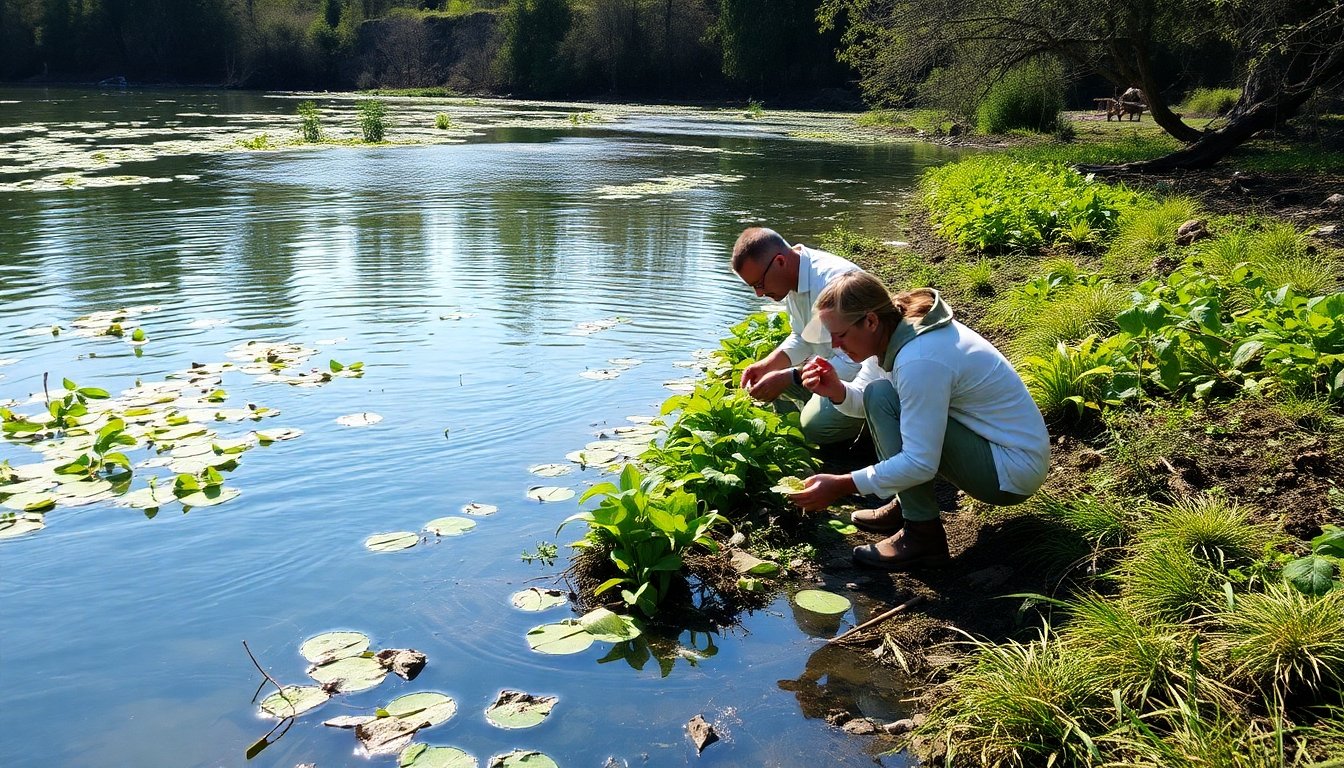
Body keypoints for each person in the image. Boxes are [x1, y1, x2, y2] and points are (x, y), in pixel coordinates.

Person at [788, 272, 1050, 570]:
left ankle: (922, 536)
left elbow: (920, 462)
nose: (835, 345)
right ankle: (908, 504)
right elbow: (871, 401)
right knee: (880, 395)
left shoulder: (919, 359)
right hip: (996, 448)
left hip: (1011, 471)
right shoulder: (894, 330)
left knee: (893, 414)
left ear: (870, 321)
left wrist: (842, 485)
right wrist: (836, 391)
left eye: (841, 335)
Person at [730, 227, 866, 447]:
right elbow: (804, 337)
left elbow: (854, 363)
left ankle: (866, 430)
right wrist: (767, 366)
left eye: (760, 284)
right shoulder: (792, 279)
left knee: (815, 426)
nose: (759, 294)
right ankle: (797, 445)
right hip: (832, 369)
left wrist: (790, 377)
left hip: (865, 378)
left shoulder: (833, 282)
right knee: (774, 383)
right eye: (753, 287)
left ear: (780, 262)